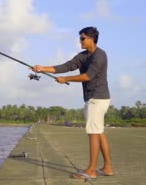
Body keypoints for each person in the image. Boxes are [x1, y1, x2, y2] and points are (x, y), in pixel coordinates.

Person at [32, 26, 114, 180]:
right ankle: (108, 167)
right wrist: (43, 69)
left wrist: (65, 79)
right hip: (93, 98)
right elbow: (66, 66)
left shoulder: (100, 55)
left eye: (82, 38)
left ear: (91, 39)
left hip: (97, 98)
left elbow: (87, 76)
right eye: (80, 38)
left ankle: (91, 170)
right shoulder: (83, 56)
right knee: (99, 132)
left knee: (93, 133)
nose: (80, 41)